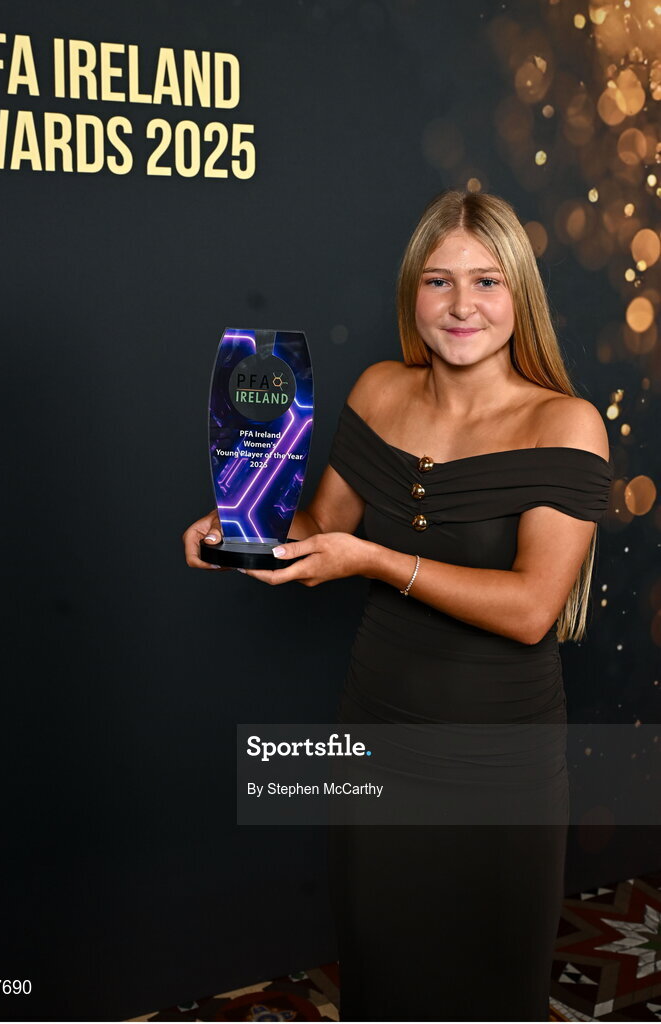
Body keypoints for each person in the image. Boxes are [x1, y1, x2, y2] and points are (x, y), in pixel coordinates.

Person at [182, 188, 613, 1022]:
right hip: (376, 739)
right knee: (383, 981)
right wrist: (236, 524)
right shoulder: (379, 389)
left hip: (501, 764)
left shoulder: (565, 424)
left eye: (486, 282)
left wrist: (376, 560)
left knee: (489, 991)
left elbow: (530, 609)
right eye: (438, 281)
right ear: (411, 294)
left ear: (520, 296)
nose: (461, 306)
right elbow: (320, 530)